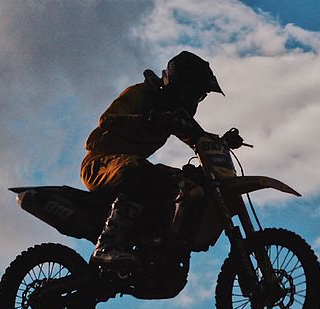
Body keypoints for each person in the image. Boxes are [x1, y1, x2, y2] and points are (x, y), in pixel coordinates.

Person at [81, 51, 224, 267]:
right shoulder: (141, 95)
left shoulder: (172, 113)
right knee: (141, 169)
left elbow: (196, 137)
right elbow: (107, 120)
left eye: (200, 95)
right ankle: (106, 246)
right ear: (179, 85)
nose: (196, 100)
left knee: (183, 179)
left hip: (130, 168)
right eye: (194, 92)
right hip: (100, 164)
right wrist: (148, 120)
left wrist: (222, 142)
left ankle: (155, 241)